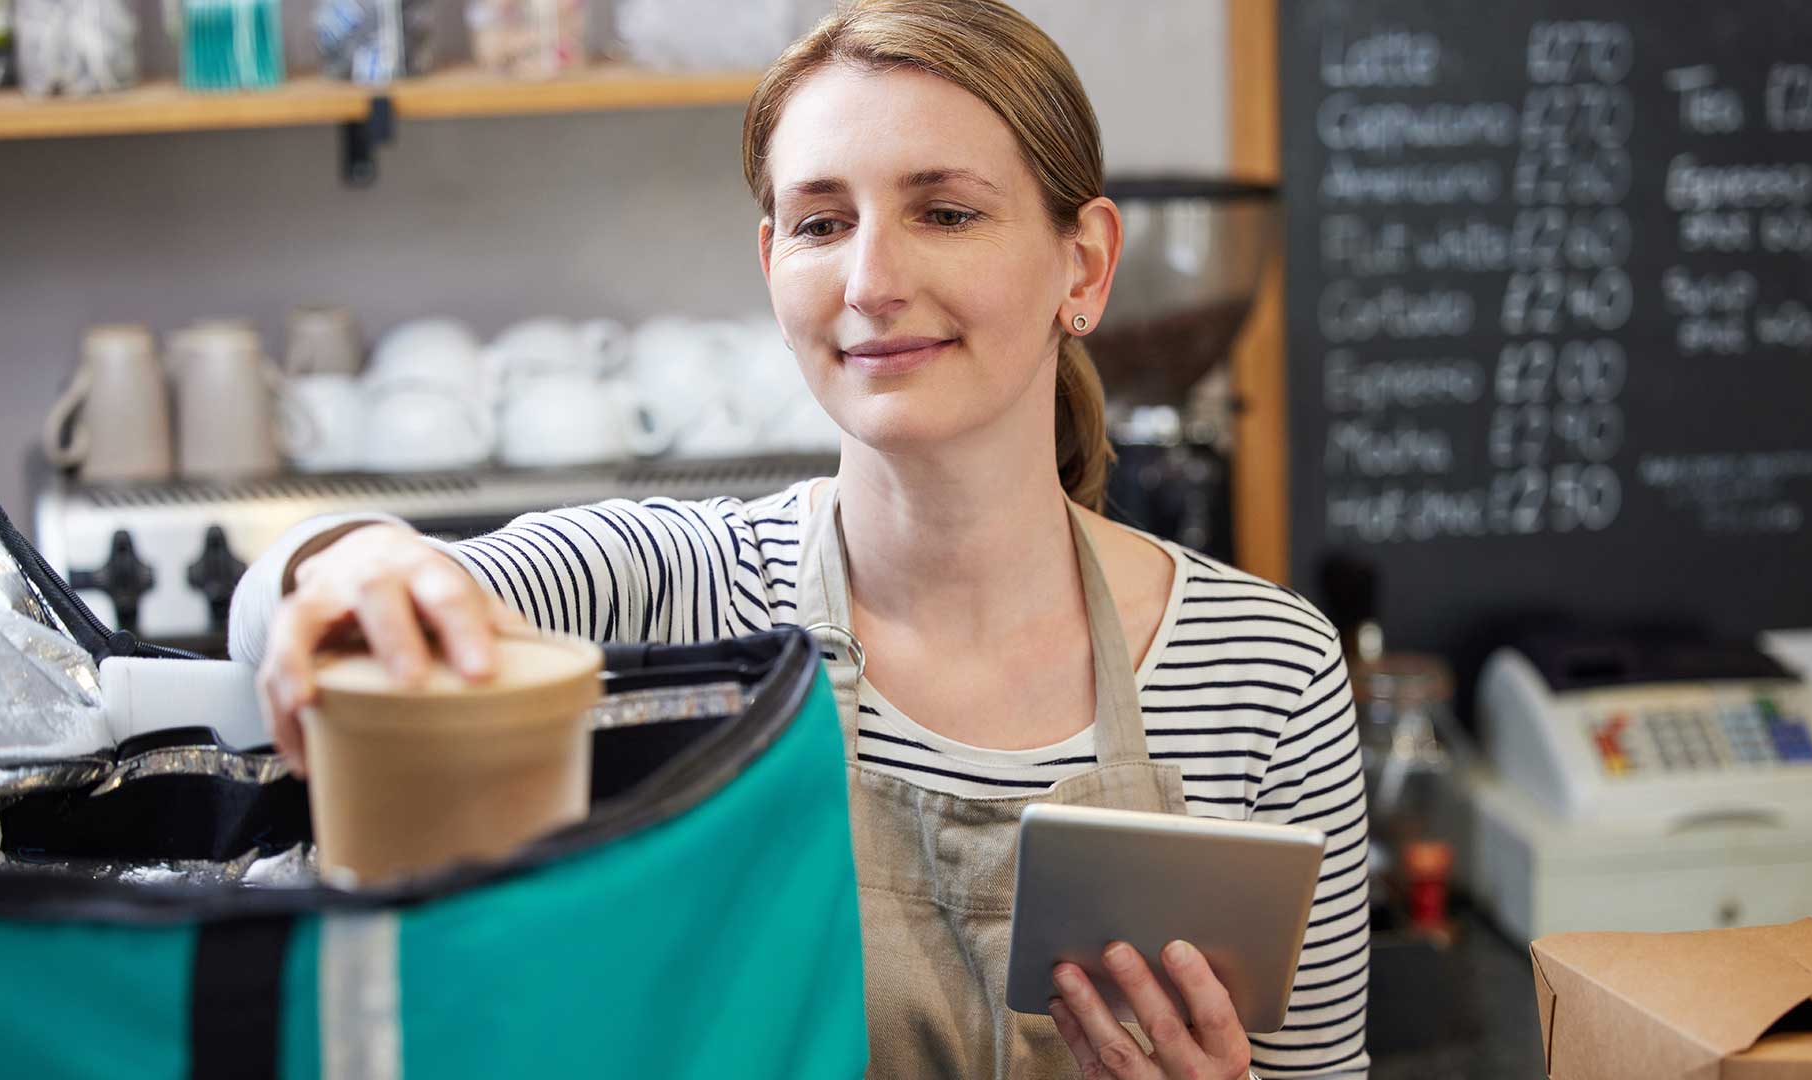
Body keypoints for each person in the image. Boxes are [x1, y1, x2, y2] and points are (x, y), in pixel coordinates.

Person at [232, 2, 1368, 1076]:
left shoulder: (1265, 670)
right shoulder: (677, 594)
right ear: (775, 264)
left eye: (947, 212)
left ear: (1085, 264)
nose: (872, 281)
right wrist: (347, 565)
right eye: (824, 224)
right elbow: (293, 602)